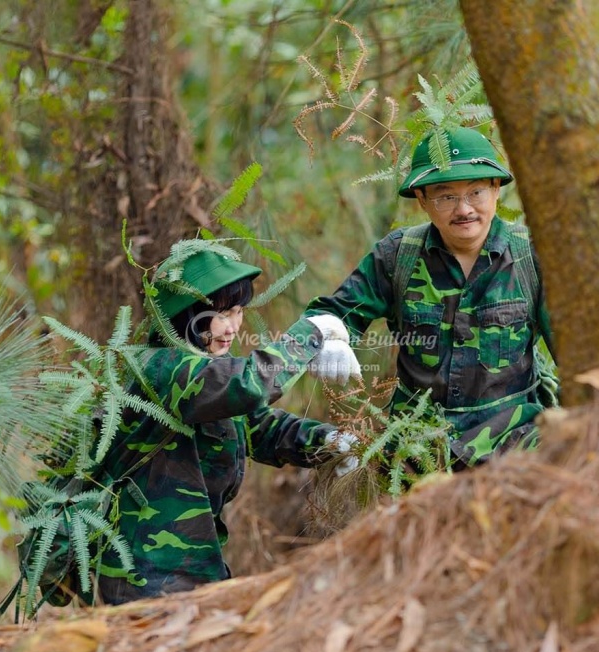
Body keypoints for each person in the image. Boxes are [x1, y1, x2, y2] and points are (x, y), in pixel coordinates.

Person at [90, 247, 357, 604]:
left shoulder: (205, 368)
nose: (232, 327)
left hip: (198, 568)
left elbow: (260, 429)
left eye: (238, 311)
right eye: (220, 315)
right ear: (185, 316)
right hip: (148, 576)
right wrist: (313, 331)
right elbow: (249, 385)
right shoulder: (161, 368)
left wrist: (333, 441)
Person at [304, 126, 557, 468]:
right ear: (422, 200)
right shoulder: (398, 256)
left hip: (515, 445)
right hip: (416, 448)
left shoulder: (531, 257)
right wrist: (330, 336)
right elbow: (333, 311)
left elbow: (579, 355)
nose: (464, 209)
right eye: (445, 196)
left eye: (477, 192)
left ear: (496, 190)